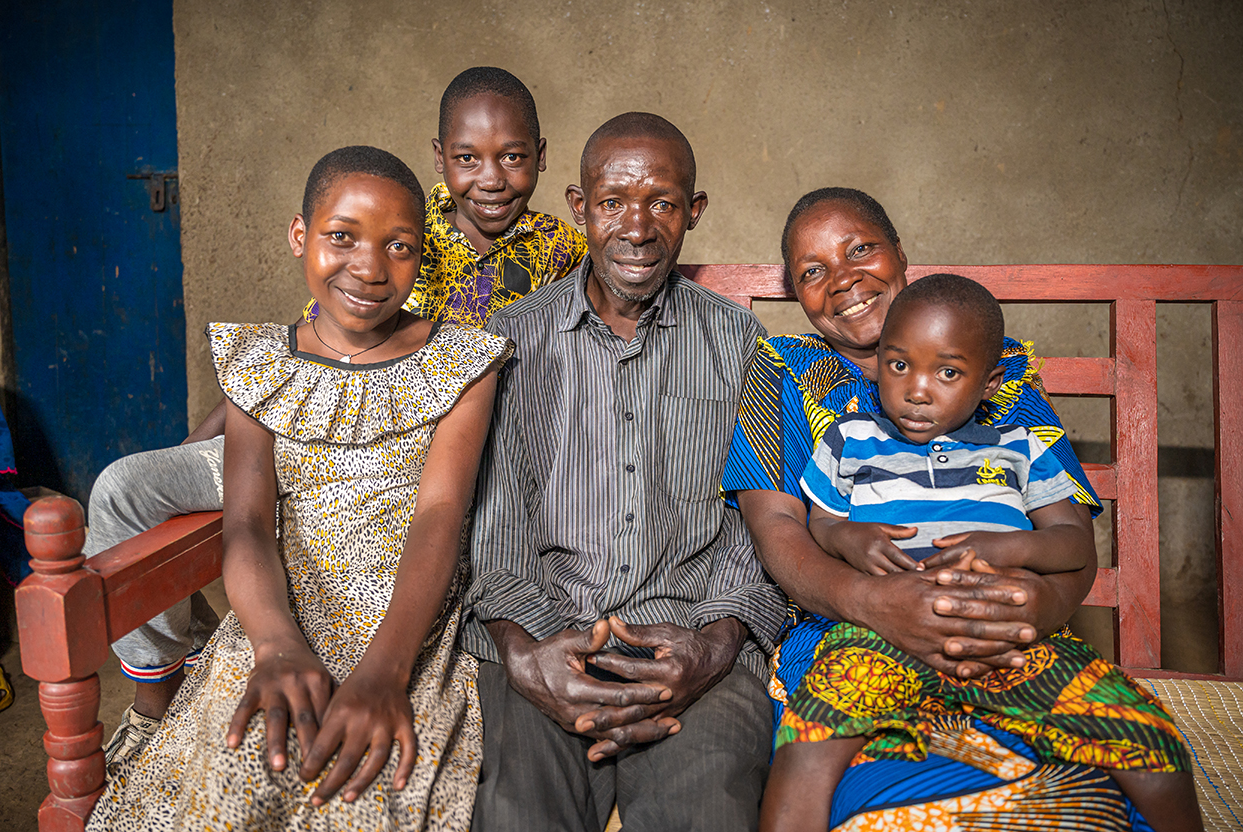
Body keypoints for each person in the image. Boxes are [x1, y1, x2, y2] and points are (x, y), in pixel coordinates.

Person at [92, 66, 585, 771]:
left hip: (434, 450)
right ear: (441, 158)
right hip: (308, 423)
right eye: (469, 159)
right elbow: (296, 356)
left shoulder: (563, 251)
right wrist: (219, 435)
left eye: (512, 157)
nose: (493, 179)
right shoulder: (405, 221)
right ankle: (162, 680)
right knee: (124, 489)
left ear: (540, 155)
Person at [723, 187, 1186, 829]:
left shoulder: (999, 367)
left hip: (1008, 635)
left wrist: (1028, 614)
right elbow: (781, 527)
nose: (844, 280)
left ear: (900, 254)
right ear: (794, 291)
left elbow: (1068, 537)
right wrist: (875, 602)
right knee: (881, 788)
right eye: (813, 270)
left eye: (861, 250)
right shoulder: (777, 371)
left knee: (1117, 769)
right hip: (852, 631)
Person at [87, 146, 511, 831]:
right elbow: (248, 525)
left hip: (407, 631)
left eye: (398, 246)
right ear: (299, 236)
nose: (369, 268)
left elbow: (439, 516)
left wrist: (385, 674)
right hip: (281, 619)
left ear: (421, 254)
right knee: (231, 777)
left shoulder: (461, 362)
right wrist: (276, 647)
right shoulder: (260, 364)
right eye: (341, 236)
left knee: (363, 794)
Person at [461, 112, 786, 832]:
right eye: (612, 202)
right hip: (547, 639)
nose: (636, 228)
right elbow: (494, 524)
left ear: (692, 213)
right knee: (516, 814)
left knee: (708, 811)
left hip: (693, 647)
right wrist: (527, 657)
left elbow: (756, 522)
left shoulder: (739, 343)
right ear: (581, 209)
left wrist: (712, 646)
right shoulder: (509, 342)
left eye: (662, 203)